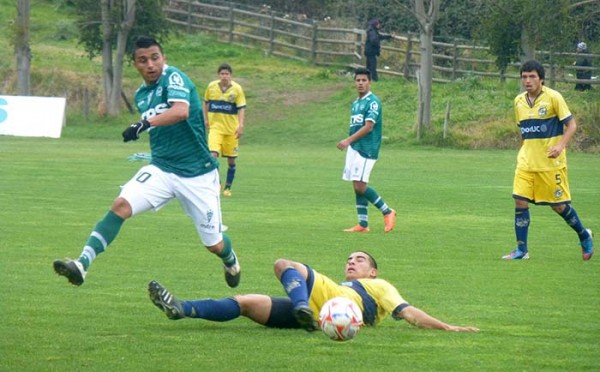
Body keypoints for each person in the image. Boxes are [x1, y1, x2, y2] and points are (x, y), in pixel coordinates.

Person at [53, 36, 241, 288]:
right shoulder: (142, 94)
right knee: (120, 205)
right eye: (143, 60)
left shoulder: (173, 77)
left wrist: (144, 123)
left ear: (163, 58)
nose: (150, 64)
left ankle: (230, 259)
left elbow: (180, 111)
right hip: (162, 169)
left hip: (198, 174)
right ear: (135, 64)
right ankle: (82, 264)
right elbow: (163, 132)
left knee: (214, 244)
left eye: (155, 58)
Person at [148, 251, 479, 332]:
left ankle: (302, 308)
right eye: (349, 258)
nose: (352, 262)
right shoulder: (345, 282)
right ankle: (181, 308)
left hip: (337, 305)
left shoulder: (378, 285)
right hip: (323, 311)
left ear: (373, 270)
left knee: (282, 264)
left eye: (359, 259)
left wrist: (447, 327)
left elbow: (407, 312)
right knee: (247, 302)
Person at [502, 60, 593, 261]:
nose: (528, 80)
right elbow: (523, 133)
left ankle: (584, 235)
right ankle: (521, 250)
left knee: (559, 206)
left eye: (532, 76)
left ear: (541, 79)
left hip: (550, 164)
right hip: (526, 163)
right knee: (519, 200)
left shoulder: (554, 98)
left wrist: (560, 146)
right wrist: (522, 152)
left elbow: (571, 125)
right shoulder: (519, 102)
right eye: (524, 77)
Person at [337, 67, 396, 233]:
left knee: (361, 186)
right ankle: (363, 224)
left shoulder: (373, 102)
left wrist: (348, 140)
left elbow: (369, 127)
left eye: (364, 80)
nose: (360, 83)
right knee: (357, 184)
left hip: (367, 148)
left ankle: (387, 211)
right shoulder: (356, 104)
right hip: (355, 148)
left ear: (370, 82)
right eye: (358, 80)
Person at [203, 63, 247, 197]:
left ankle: (228, 187)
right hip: (215, 128)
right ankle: (218, 183)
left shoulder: (237, 89)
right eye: (222, 74)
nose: (224, 76)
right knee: (213, 156)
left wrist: (240, 125)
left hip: (231, 131)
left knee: (231, 161)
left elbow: (241, 108)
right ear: (218, 75)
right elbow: (206, 102)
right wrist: (205, 119)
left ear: (231, 76)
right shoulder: (211, 87)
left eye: (227, 74)